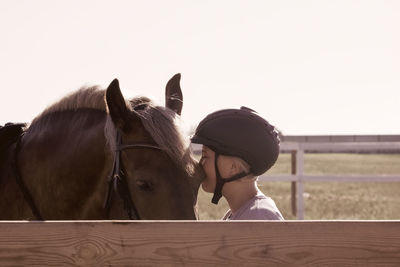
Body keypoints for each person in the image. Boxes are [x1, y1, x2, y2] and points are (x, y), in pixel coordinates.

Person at [191, 107, 284, 220]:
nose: (200, 164)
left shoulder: (258, 216)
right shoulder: (241, 213)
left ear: (233, 168)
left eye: (205, 156)